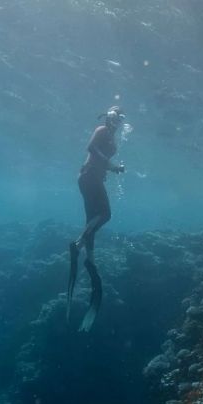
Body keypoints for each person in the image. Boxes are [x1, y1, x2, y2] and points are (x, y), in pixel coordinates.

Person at [67, 106, 126, 331]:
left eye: (119, 119)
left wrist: (114, 169)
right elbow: (90, 148)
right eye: (115, 117)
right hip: (90, 177)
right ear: (109, 117)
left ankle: (89, 257)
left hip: (90, 177)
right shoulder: (102, 129)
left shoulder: (111, 137)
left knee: (92, 219)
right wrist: (111, 165)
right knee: (106, 215)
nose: (117, 122)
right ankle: (80, 243)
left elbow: (99, 158)